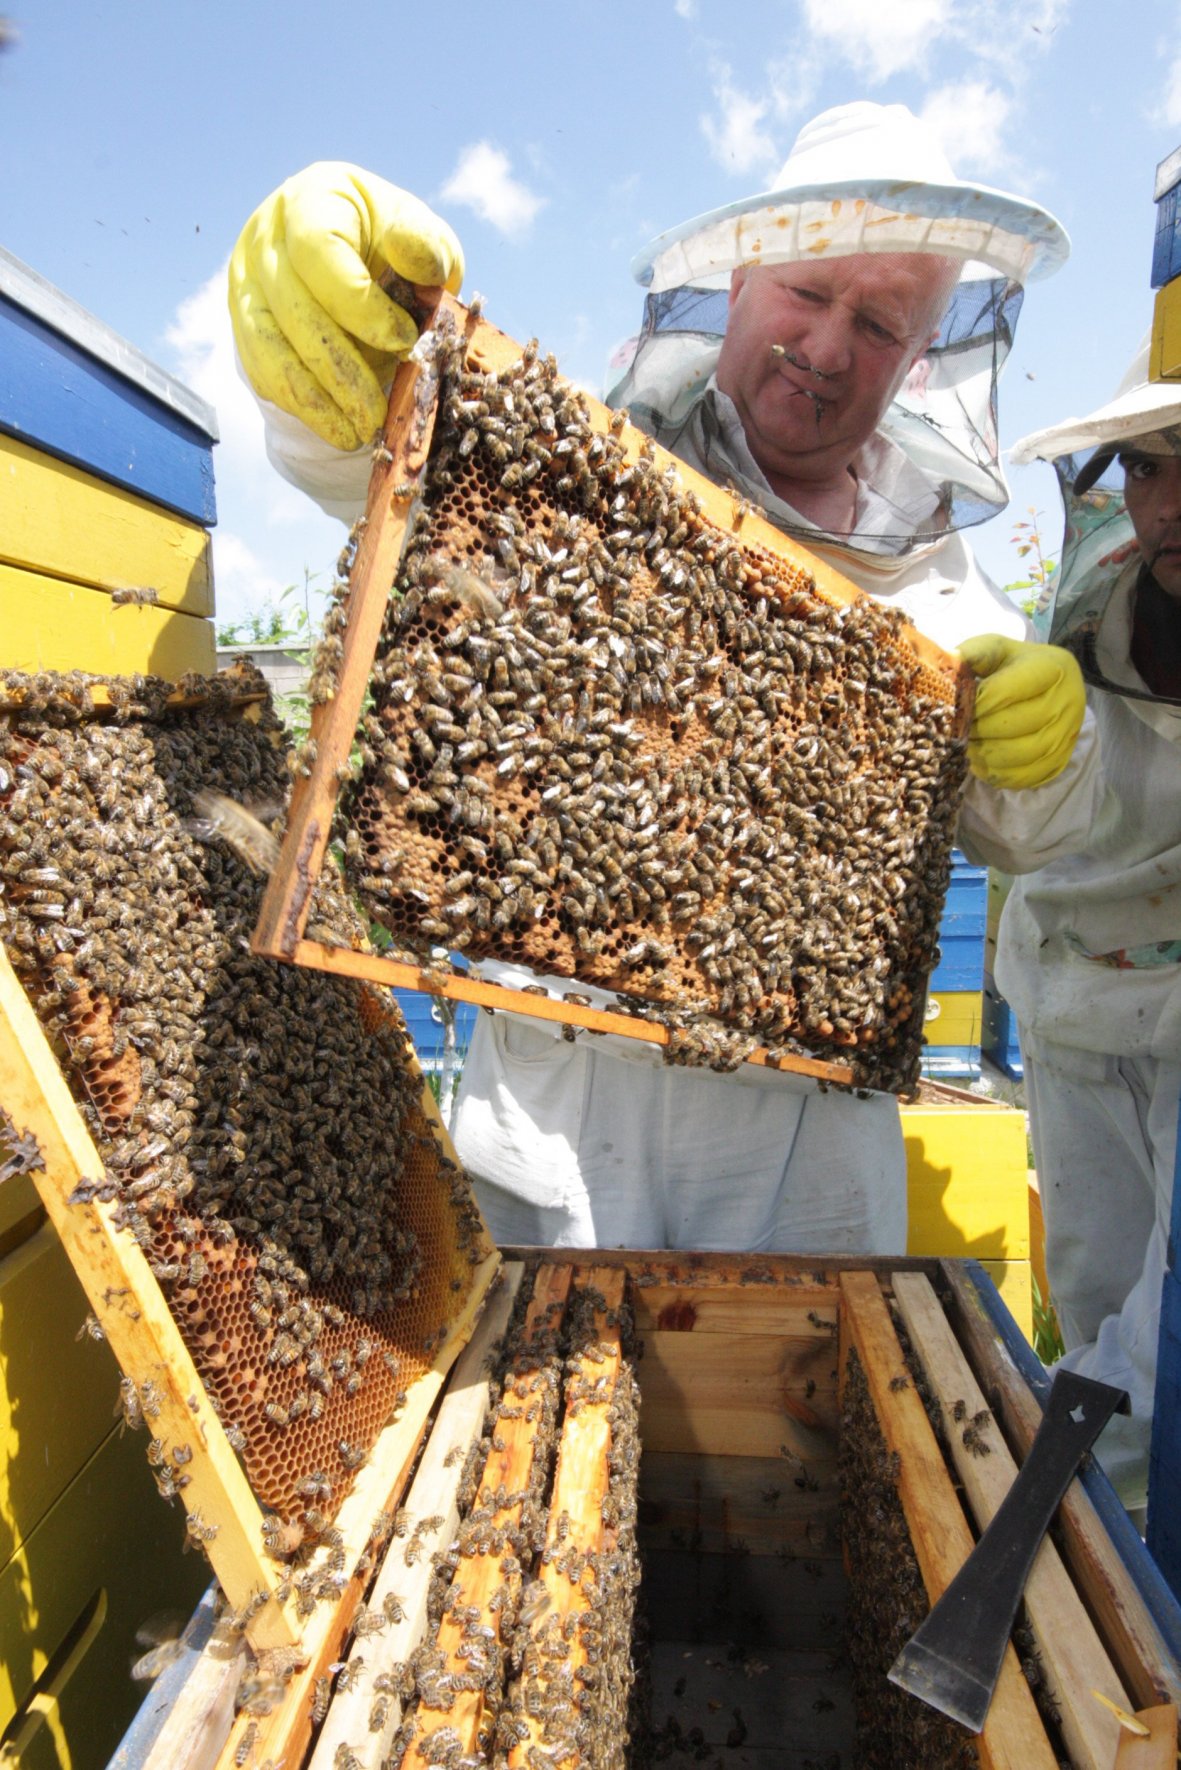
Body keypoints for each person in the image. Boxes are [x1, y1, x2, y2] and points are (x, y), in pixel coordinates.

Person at [229, 103, 1091, 1257]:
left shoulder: (942, 585)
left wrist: (1055, 757)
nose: (830, 348)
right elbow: (365, 459)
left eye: (880, 323)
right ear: (736, 285)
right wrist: (315, 360)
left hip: (809, 1151)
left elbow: (1021, 827)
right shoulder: (575, 472)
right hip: (559, 1104)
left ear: (924, 353)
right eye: (807, 294)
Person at [984, 345, 1181, 1510]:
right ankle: (1097, 1588)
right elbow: (1016, 831)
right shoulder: (1081, 642)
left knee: (1156, 1352)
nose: (1166, 504)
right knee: (1097, 1302)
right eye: (1146, 468)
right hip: (1068, 1007)